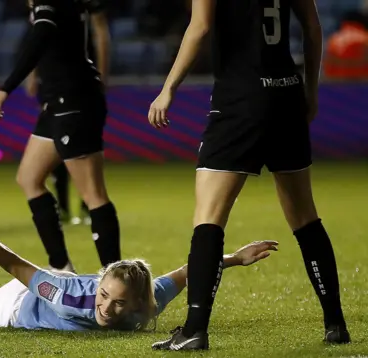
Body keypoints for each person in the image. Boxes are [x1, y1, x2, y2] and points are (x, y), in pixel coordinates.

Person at [147, 0, 350, 350]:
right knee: (305, 217)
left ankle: (195, 328)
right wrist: (310, 92)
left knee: (209, 218)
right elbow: (313, 27)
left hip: (239, 98)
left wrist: (168, 88)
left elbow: (200, 27)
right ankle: (335, 323)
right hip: (287, 96)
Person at [0, 0, 118, 273]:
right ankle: (60, 265)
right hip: (60, 102)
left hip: (74, 100)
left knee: (93, 194)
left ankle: (117, 276)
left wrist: (6, 88)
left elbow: (41, 34)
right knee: (29, 179)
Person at [0, 236, 278, 331]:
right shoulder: (70, 300)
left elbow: (186, 272)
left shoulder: (149, 299)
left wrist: (235, 259)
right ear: (99, 286)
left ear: (135, 303)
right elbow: (17, 266)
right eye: (103, 296)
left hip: (57, 281)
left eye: (117, 303)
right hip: (26, 303)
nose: (106, 308)